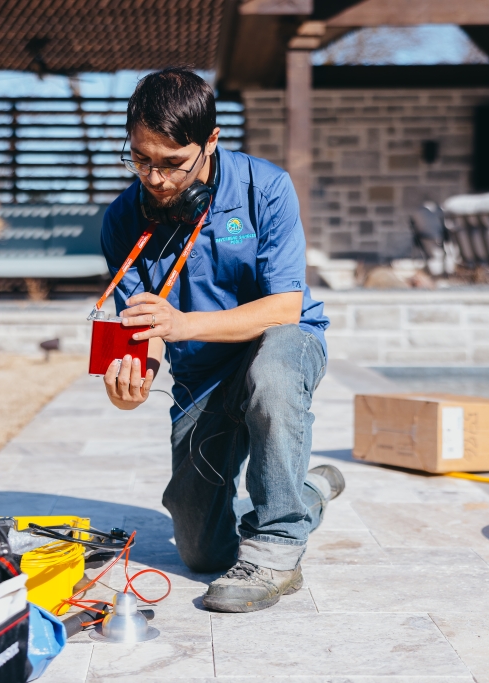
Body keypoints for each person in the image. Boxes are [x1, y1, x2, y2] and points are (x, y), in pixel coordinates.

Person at [99, 67, 343, 613]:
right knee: (201, 552)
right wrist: (135, 376)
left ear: (210, 141)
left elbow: (285, 306)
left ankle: (278, 547)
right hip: (201, 375)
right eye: (140, 159)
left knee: (271, 375)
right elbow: (144, 327)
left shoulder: (268, 188)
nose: (155, 179)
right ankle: (308, 494)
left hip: (283, 343)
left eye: (172, 163)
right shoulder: (121, 219)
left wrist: (181, 324)